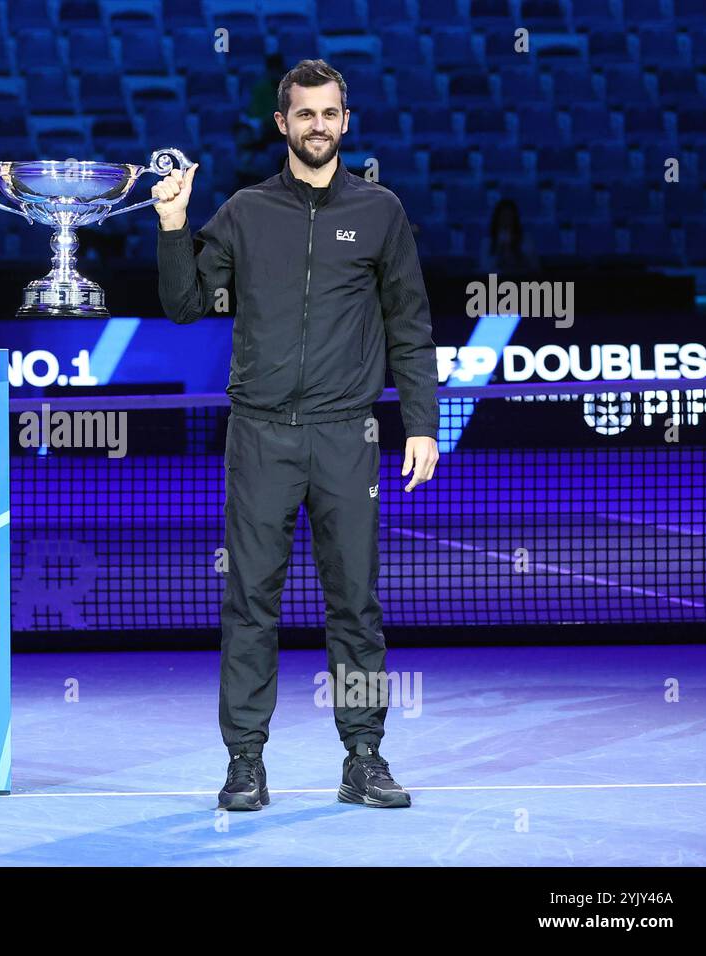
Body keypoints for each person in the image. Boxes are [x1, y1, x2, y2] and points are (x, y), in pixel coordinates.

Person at [153, 59, 440, 811]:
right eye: (303, 114)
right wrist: (174, 224)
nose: (318, 125)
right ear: (282, 123)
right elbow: (184, 305)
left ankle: (365, 756)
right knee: (250, 602)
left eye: (330, 113)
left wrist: (421, 425)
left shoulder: (381, 211)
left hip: (349, 436)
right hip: (260, 437)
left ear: (346, 121)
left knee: (356, 604)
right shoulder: (245, 212)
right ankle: (245, 762)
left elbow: (410, 326)